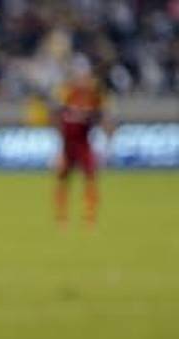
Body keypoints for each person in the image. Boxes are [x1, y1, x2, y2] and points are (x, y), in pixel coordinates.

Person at [53, 59, 111, 226]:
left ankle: (90, 217)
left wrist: (105, 142)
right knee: (63, 180)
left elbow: (104, 118)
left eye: (84, 75)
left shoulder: (95, 95)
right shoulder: (66, 92)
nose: (82, 78)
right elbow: (57, 116)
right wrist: (57, 144)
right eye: (79, 75)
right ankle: (61, 217)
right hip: (67, 145)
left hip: (84, 144)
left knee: (90, 179)